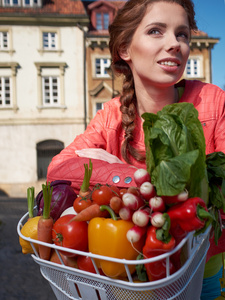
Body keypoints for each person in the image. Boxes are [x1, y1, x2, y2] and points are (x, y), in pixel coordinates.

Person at [47, 0, 225, 298]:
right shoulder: (111, 116)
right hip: (133, 274)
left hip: (204, 271)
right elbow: (59, 168)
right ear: (124, 50)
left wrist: (122, 173)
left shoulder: (211, 101)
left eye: (182, 34)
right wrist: (133, 176)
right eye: (157, 31)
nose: (175, 44)